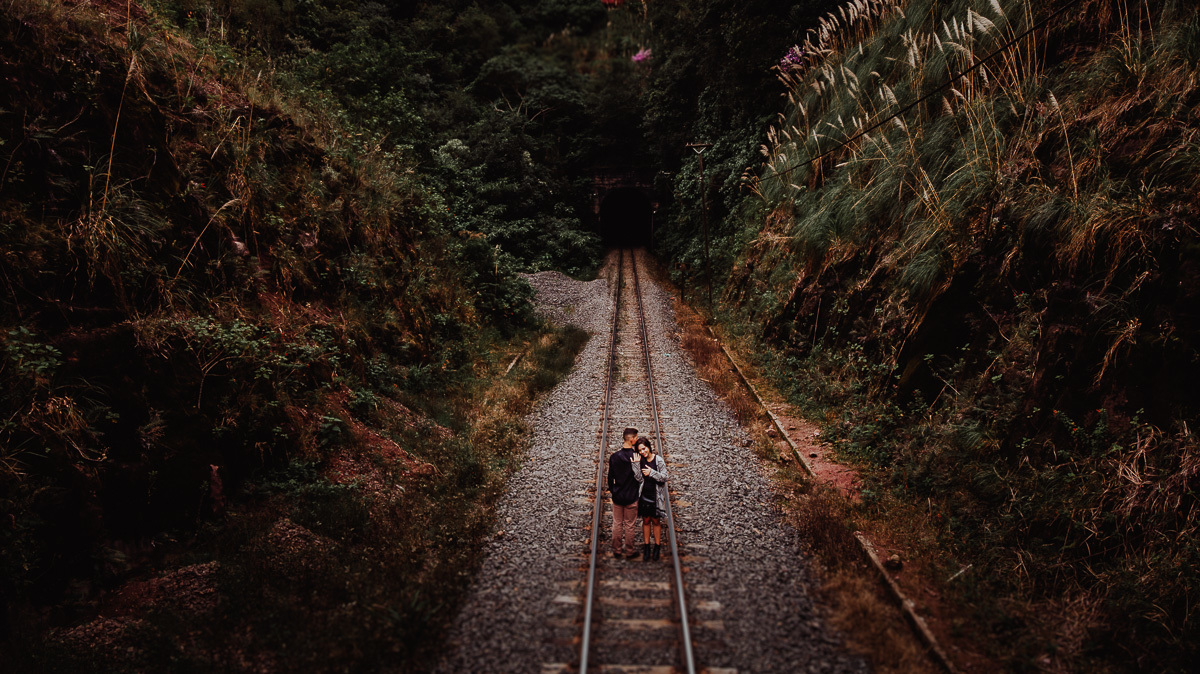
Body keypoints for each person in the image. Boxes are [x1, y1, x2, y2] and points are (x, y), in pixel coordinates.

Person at [607, 427, 642, 559]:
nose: (637, 440)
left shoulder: (614, 457)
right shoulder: (636, 457)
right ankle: (629, 551)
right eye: (637, 438)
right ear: (632, 439)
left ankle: (616, 550)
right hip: (631, 496)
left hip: (618, 495)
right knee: (629, 525)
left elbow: (610, 477)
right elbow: (639, 478)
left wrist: (613, 490)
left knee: (617, 523)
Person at [633, 436, 668, 561]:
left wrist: (652, 472)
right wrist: (636, 465)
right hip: (644, 495)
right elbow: (637, 478)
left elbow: (664, 477)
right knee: (646, 520)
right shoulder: (640, 460)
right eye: (640, 450)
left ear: (648, 447)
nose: (642, 452)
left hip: (656, 495)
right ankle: (647, 546)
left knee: (656, 521)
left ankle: (657, 546)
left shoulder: (658, 460)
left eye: (644, 449)